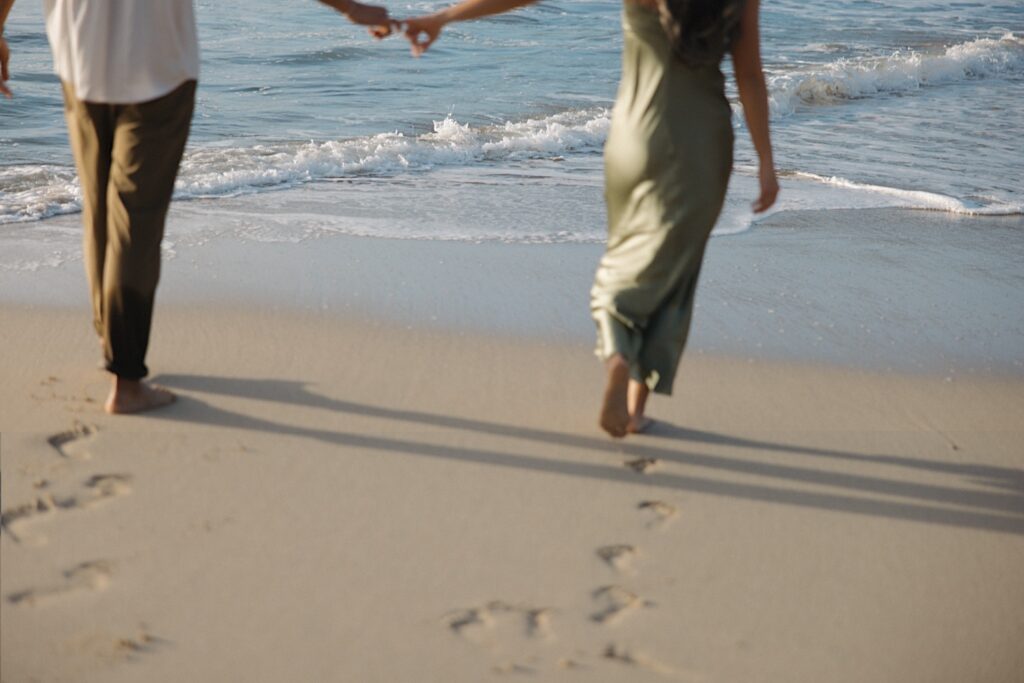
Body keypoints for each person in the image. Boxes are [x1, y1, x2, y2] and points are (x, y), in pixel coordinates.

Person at [402, 0, 779, 437]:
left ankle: (617, 348)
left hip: (634, 137)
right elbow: (749, 76)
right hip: (704, 140)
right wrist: (766, 162)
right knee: (675, 269)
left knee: (624, 253)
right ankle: (635, 405)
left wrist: (442, 17)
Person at [0, 0, 393, 414]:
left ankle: (112, 339)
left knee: (100, 207)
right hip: (157, 66)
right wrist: (349, 8)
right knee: (136, 216)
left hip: (79, 59)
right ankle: (127, 381)